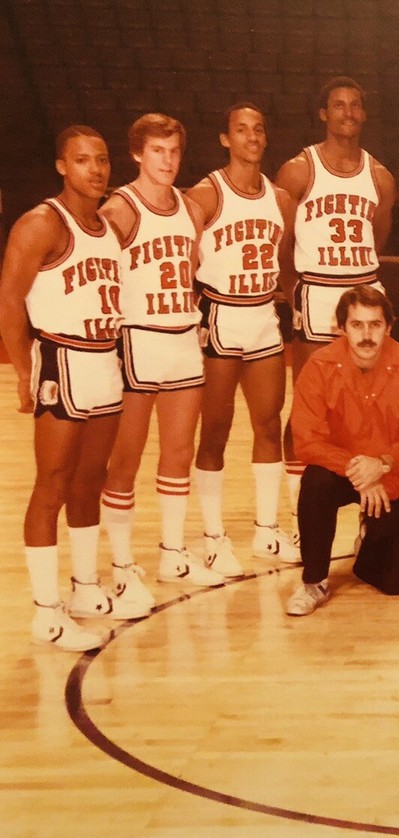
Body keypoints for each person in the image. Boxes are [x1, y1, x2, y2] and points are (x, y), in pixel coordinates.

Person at [0, 126, 150, 650]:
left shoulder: (107, 227)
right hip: (60, 360)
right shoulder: (42, 223)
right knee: (52, 485)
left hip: (102, 360)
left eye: (103, 160)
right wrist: (23, 370)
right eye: (83, 161)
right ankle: (46, 612)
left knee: (91, 481)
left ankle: (85, 587)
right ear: (62, 166)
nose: (96, 170)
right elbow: (9, 300)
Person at [99, 114, 223, 591]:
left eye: (173, 151)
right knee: (125, 458)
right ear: (137, 153)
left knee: (177, 452)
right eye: (157, 151)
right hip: (136, 339)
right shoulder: (120, 209)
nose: (167, 160)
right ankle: (122, 566)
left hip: (181, 337)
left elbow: (192, 268)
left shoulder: (191, 209)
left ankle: (173, 553)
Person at [275, 77, 399, 533]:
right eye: (338, 105)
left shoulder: (380, 176)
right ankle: (296, 512)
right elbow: (281, 242)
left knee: (376, 405)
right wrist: (295, 289)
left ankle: (375, 504)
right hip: (317, 289)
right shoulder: (297, 171)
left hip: (364, 288)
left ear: (364, 114)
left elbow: (379, 234)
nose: (348, 112)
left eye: (356, 104)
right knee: (309, 404)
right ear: (324, 114)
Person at [188, 103, 300, 577]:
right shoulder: (205, 195)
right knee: (214, 431)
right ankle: (213, 538)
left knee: (269, 424)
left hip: (261, 316)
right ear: (225, 138)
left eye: (259, 129)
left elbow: (287, 261)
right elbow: (183, 262)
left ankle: (267, 529)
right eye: (241, 130)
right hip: (219, 315)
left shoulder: (281, 199)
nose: (251, 137)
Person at [287, 285, 399, 616]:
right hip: (339, 472)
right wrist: (361, 471)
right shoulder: (320, 365)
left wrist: (383, 465)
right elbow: (306, 440)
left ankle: (368, 540)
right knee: (314, 482)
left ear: (389, 326)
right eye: (357, 325)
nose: (366, 335)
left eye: (375, 325)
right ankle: (314, 581)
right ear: (341, 327)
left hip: (390, 476)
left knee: (397, 581)